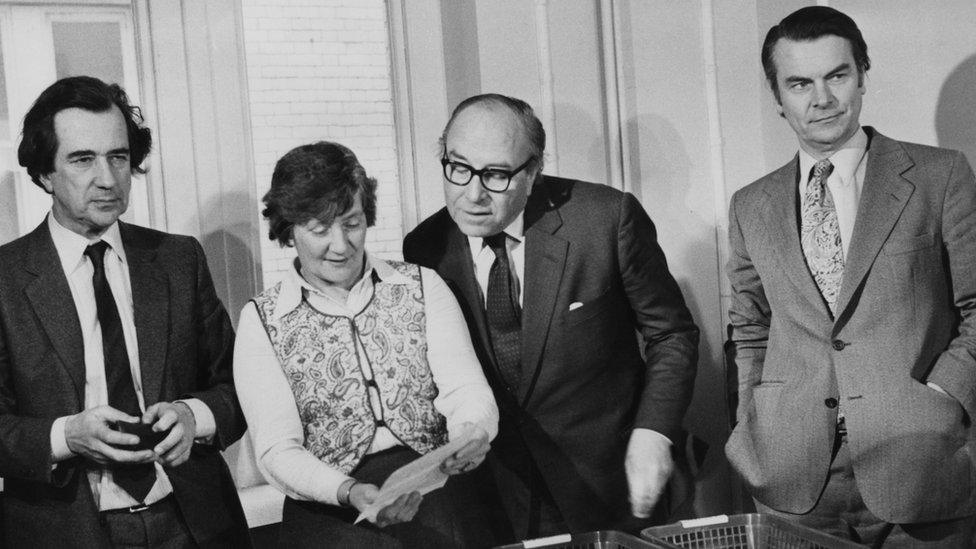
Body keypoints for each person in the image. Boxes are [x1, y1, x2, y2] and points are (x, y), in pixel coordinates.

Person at [725, 6, 976, 547]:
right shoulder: (751, 204)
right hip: (792, 476)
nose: (822, 98)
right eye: (799, 83)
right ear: (778, 98)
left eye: (836, 75)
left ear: (862, 75)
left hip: (918, 461)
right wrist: (752, 421)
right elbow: (749, 329)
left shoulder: (941, 175)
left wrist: (941, 397)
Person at [402, 93, 699, 540]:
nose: (473, 193)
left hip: (613, 486)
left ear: (534, 169)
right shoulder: (424, 248)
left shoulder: (605, 219)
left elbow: (672, 335)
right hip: (498, 500)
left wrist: (654, 431)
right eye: (458, 167)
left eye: (497, 174)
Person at [0, 75, 249, 547]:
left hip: (191, 525)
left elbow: (237, 387)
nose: (108, 178)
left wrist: (195, 415)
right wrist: (66, 435)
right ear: (44, 173)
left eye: (118, 156)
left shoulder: (178, 260)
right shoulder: (5, 280)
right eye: (82, 159)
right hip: (65, 531)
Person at [233, 141, 499, 548]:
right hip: (330, 520)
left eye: (352, 223)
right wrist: (348, 490)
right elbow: (276, 450)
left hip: (440, 504)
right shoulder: (262, 320)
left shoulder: (422, 286)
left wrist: (471, 436)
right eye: (320, 229)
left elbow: (466, 389)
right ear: (288, 230)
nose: (340, 245)